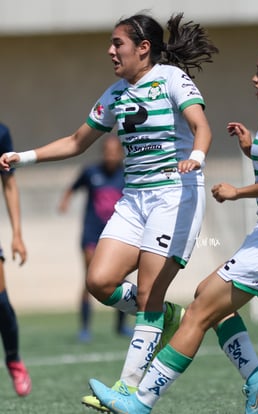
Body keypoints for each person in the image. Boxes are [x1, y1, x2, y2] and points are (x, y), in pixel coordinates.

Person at [89, 40, 258, 414]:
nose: (254, 78)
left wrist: (238, 192)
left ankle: (139, 401)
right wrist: (253, 147)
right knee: (209, 296)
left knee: (199, 311)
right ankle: (255, 377)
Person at [0, 11, 217, 411]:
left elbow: (201, 125)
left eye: (118, 44)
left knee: (150, 291)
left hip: (174, 195)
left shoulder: (170, 78)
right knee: (99, 282)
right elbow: (76, 141)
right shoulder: (115, 92)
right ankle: (166, 315)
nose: (111, 51)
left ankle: (128, 389)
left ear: (143, 48)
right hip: (134, 200)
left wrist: (198, 156)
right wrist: (23, 157)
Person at [58, 135, 133, 342]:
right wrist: (65, 202)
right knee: (90, 279)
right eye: (107, 151)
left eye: (114, 151)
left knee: (118, 279)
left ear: (120, 153)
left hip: (118, 236)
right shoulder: (91, 172)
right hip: (91, 234)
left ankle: (120, 326)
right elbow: (72, 188)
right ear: (103, 152)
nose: (111, 155)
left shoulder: (128, 174)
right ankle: (84, 328)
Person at [0, 123, 32, 397]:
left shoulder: (1, 132)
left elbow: (9, 184)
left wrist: (17, 234)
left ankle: (13, 359)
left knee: (0, 302)